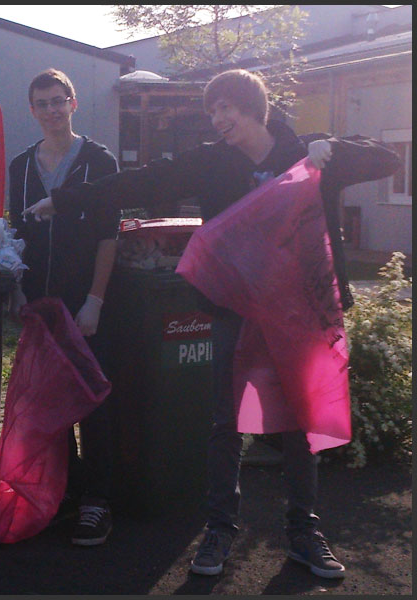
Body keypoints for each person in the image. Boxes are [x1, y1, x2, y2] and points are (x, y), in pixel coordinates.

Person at [24, 69, 401, 575]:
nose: (219, 118)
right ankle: (220, 530)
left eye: (228, 108)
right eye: (213, 110)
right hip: (236, 312)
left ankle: (303, 531)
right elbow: (141, 181)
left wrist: (334, 147)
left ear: (256, 107)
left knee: (300, 424)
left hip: (301, 314)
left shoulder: (306, 153)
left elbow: (389, 157)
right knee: (225, 423)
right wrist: (65, 199)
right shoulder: (210, 162)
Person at [8, 68, 121, 546]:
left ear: (74, 103)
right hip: (39, 303)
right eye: (42, 103)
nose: (52, 111)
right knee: (48, 403)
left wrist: (94, 301)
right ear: (32, 111)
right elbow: (14, 233)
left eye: (59, 101)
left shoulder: (99, 162)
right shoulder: (20, 168)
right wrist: (15, 291)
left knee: (92, 401)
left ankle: (98, 502)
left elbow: (108, 237)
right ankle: (65, 492)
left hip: (83, 305)